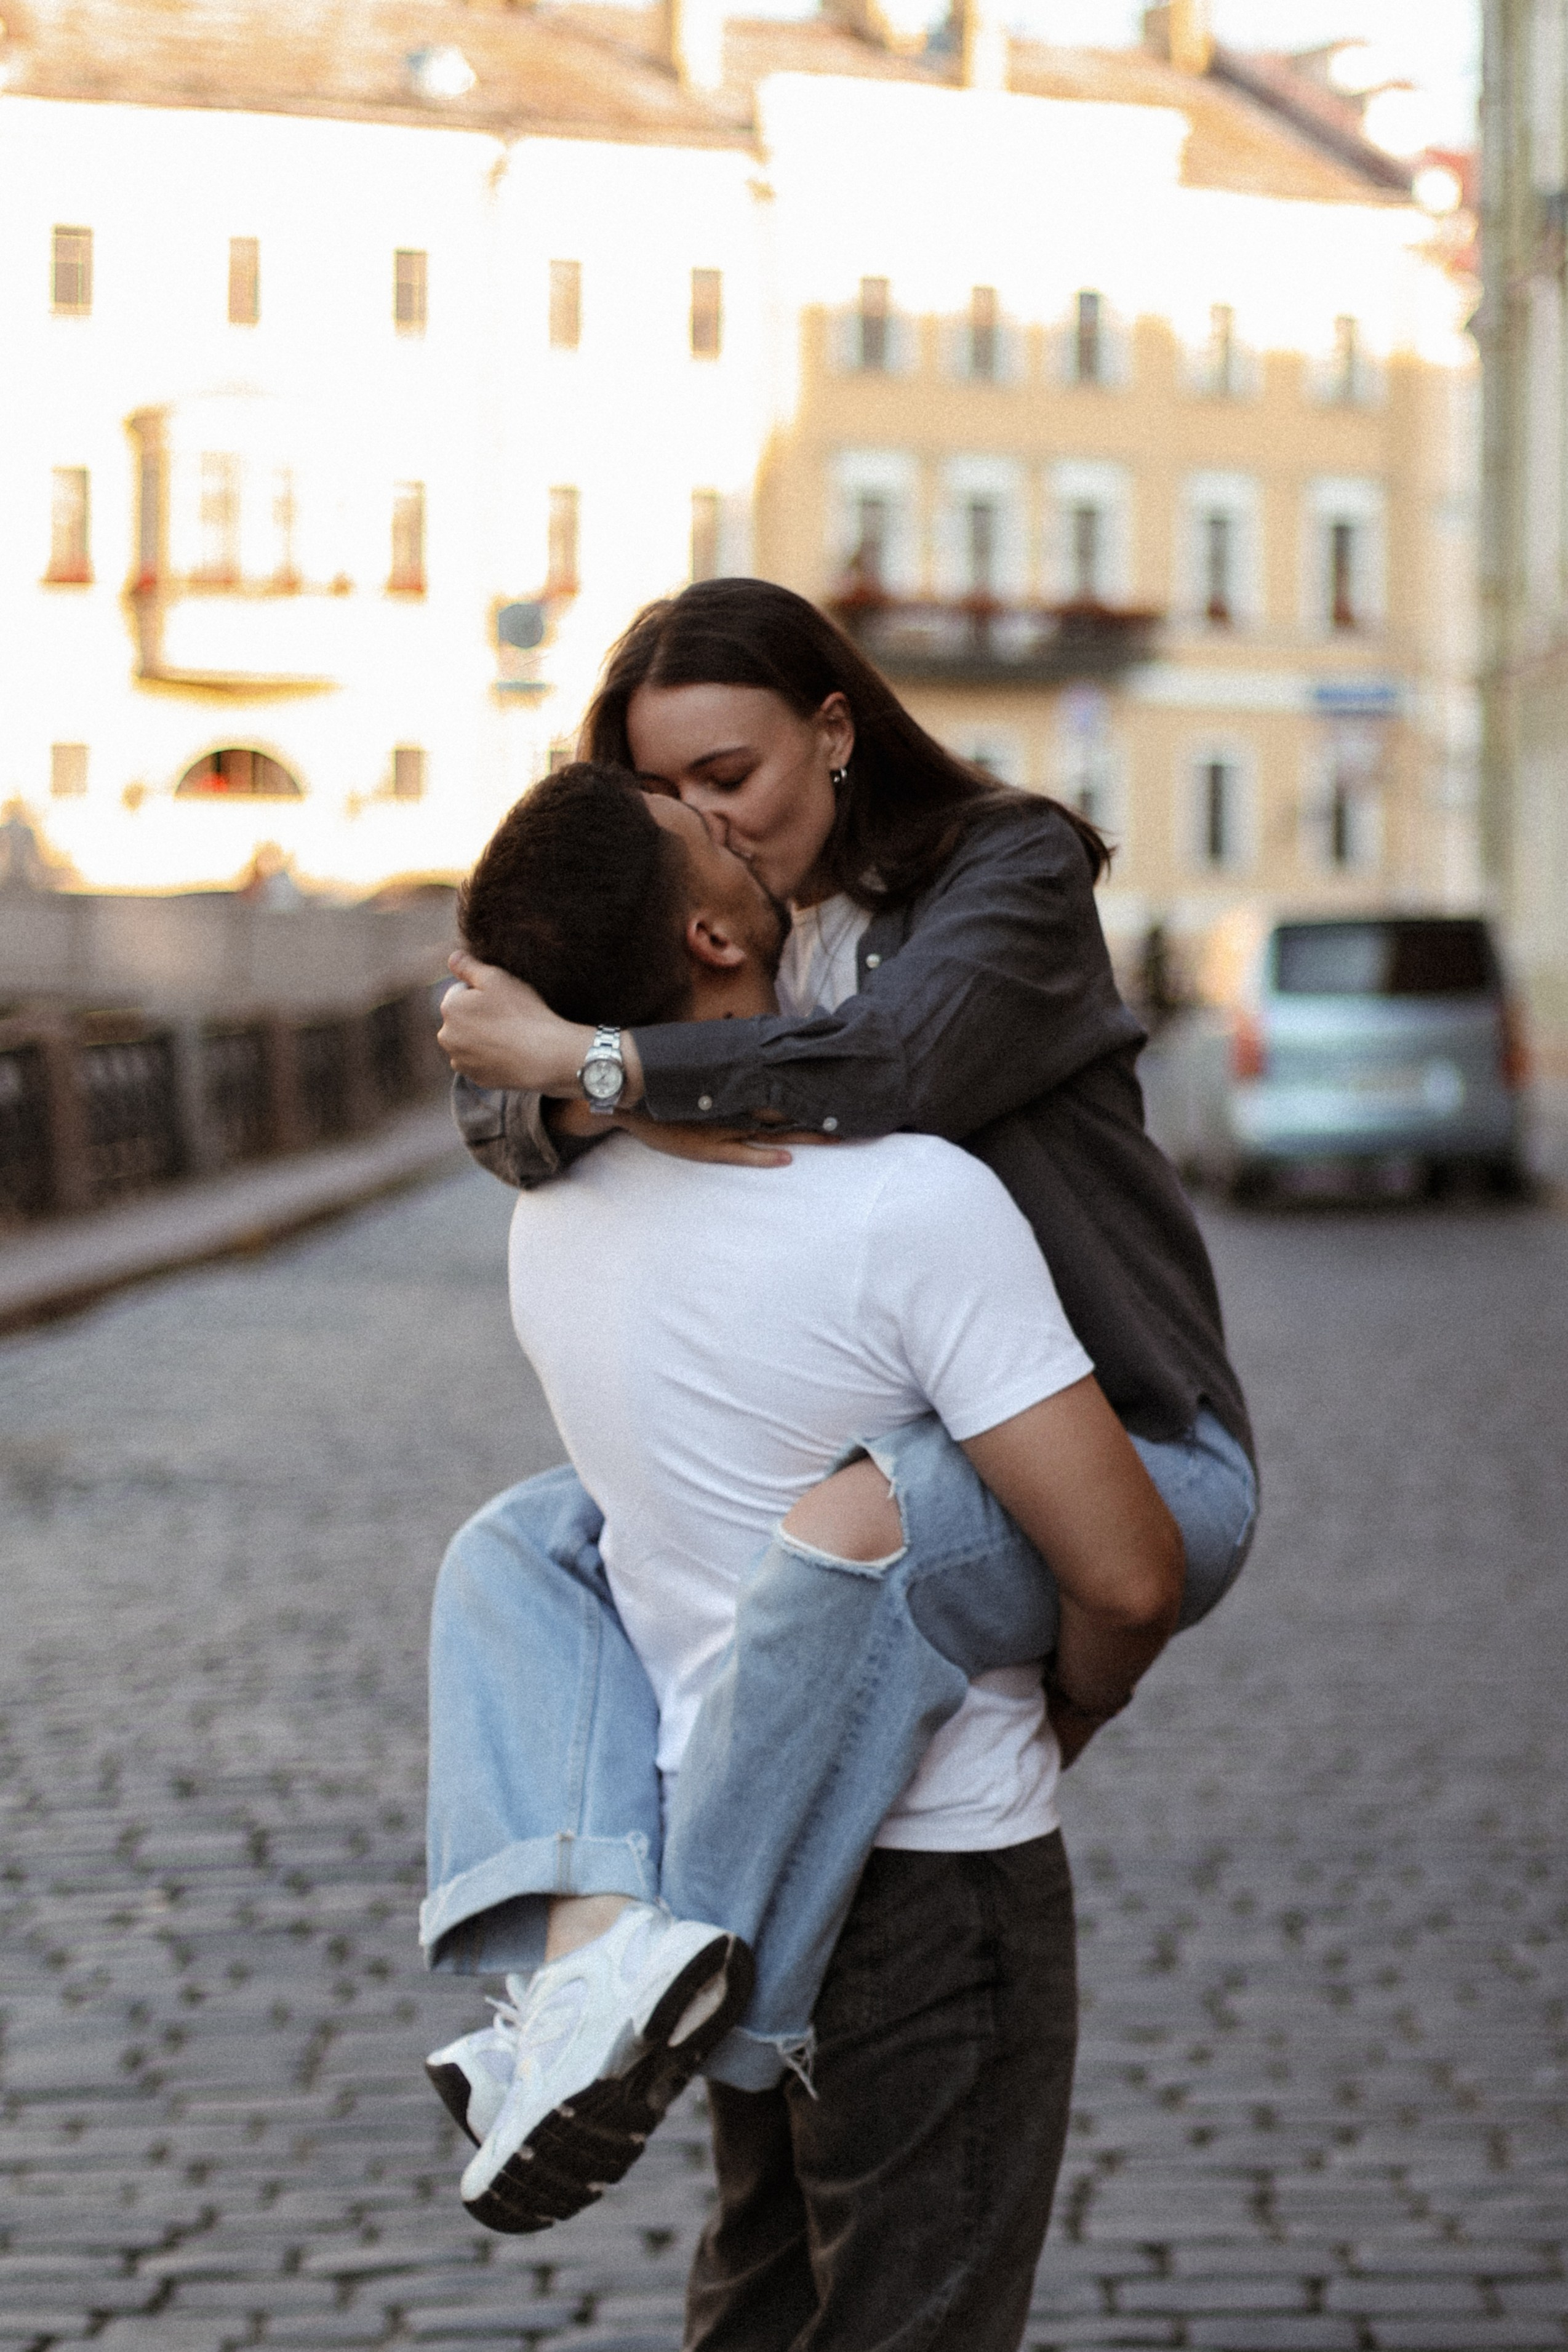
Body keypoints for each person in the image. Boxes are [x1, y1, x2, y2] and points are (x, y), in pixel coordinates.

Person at [431, 762, 1185, 2350]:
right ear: (712, 934)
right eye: (705, 829)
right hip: (932, 1869)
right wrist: (1072, 1710)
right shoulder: (909, 1204)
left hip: (712, 1895)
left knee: (761, 2307)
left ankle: (582, 1981)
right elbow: (1125, 1570)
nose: (743, 828)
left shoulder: (547, 1214)